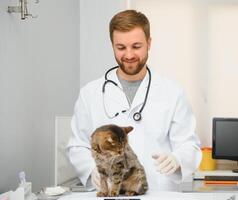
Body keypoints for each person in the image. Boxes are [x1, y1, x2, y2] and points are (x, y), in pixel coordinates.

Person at [67, 9, 201, 192]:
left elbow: (190, 145)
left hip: (158, 192)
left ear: (149, 43)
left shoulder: (172, 92)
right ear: (112, 45)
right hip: (110, 192)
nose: (129, 55)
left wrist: (178, 159)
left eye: (136, 46)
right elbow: (77, 146)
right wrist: (91, 170)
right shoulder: (90, 93)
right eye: (121, 47)